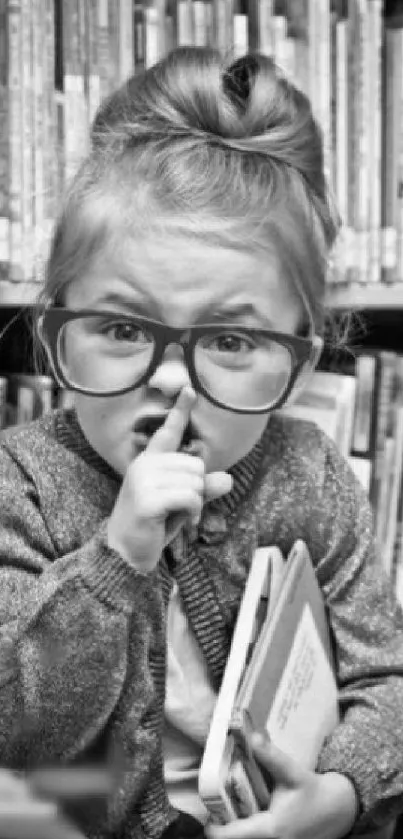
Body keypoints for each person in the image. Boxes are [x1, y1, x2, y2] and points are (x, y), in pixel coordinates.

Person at [0, 45, 402, 839]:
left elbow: (386, 682)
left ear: (298, 362)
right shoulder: (22, 483)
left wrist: (339, 796)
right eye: (120, 328)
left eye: (229, 342)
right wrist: (117, 558)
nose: (175, 384)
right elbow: (18, 728)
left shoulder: (310, 473)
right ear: (55, 342)